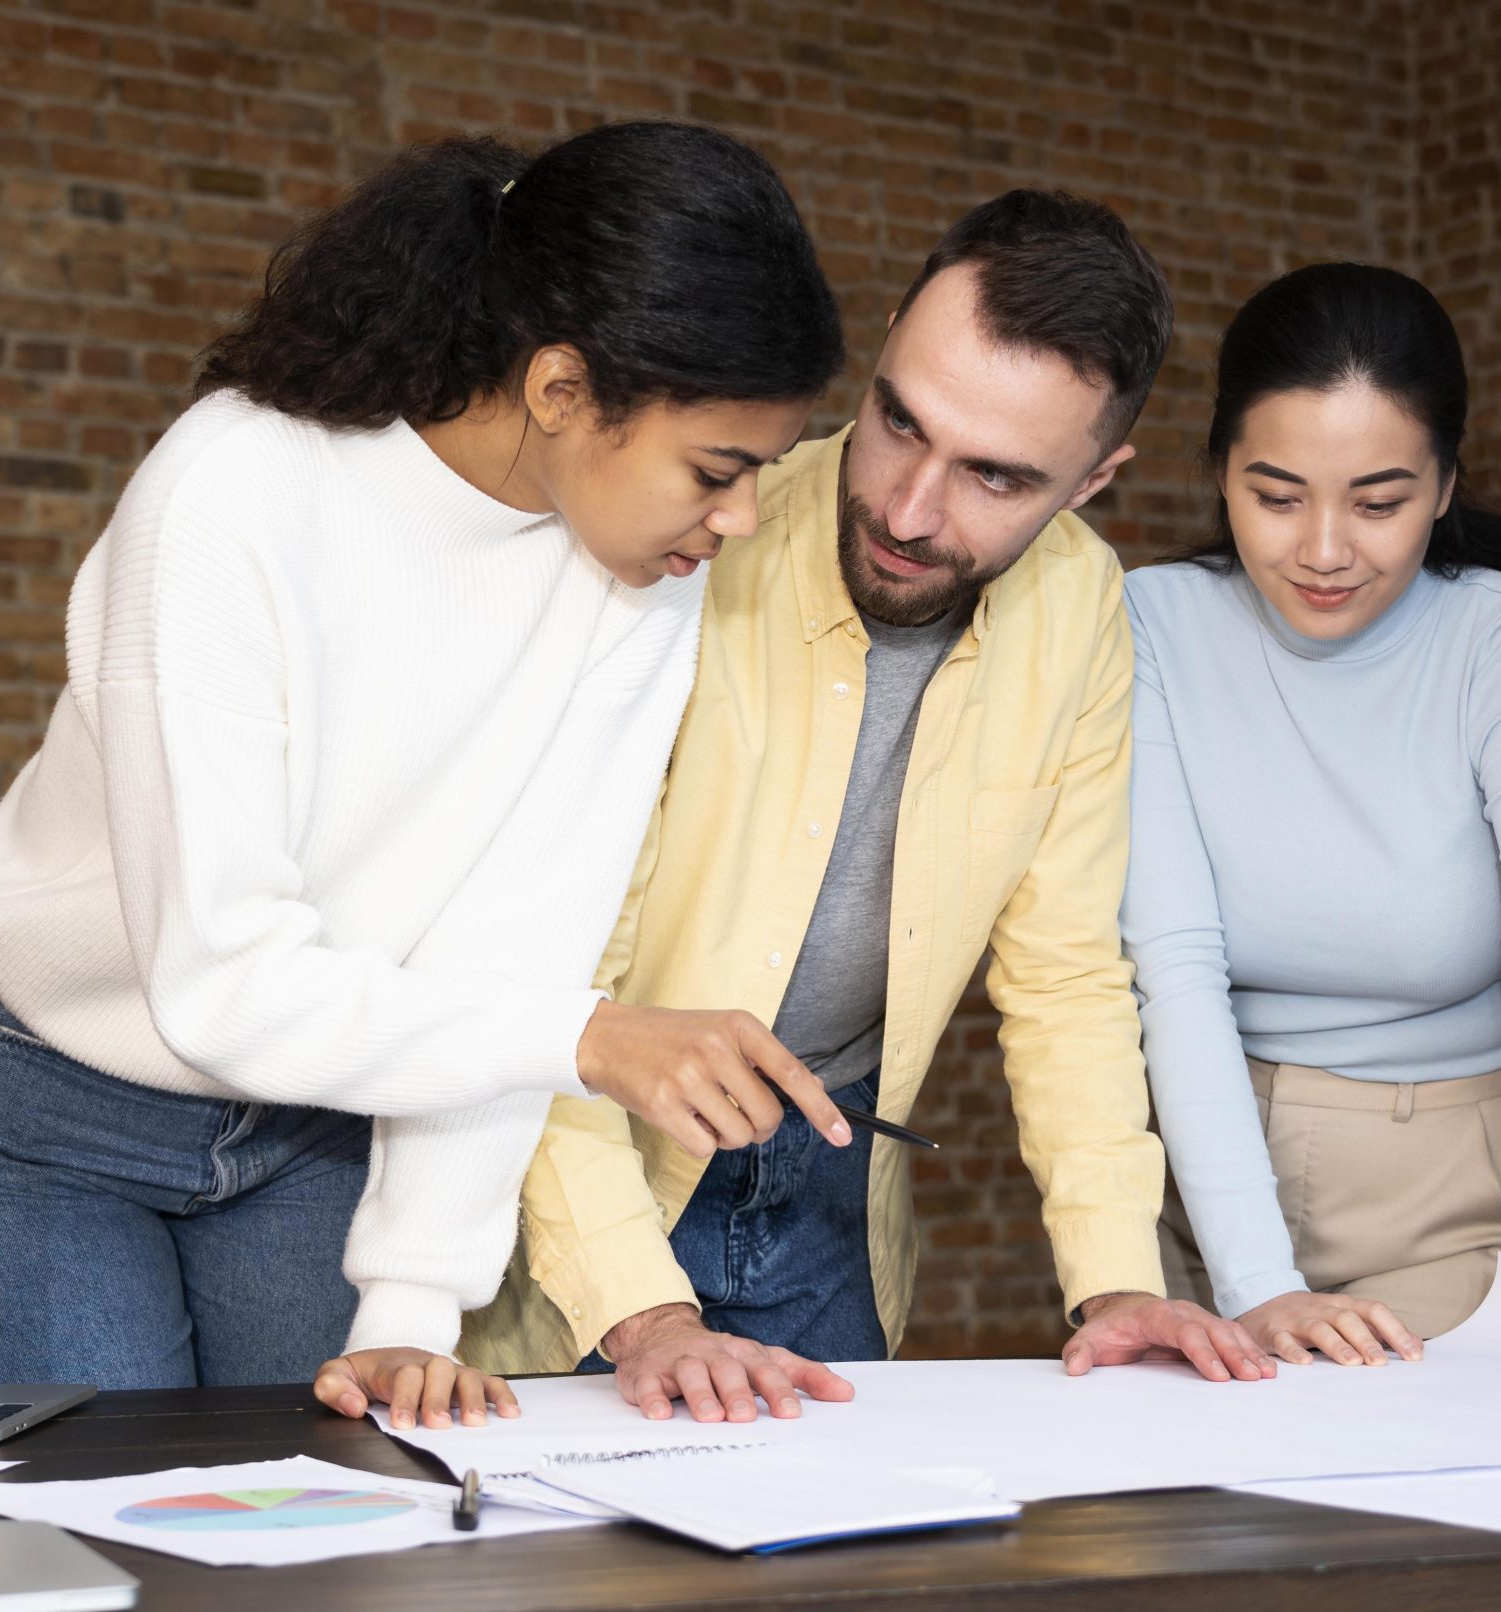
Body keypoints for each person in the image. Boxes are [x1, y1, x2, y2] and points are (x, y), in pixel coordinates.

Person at [0, 123, 855, 1412]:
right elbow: (222, 982)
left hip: (319, 1128)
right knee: (110, 1544)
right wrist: (591, 1040)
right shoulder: (231, 496)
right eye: (717, 471)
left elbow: (513, 947)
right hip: (48, 1114)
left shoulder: (643, 576)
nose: (738, 521)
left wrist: (410, 1301)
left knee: (336, 1519)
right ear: (563, 389)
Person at [412, 189, 1279, 1425]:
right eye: (897, 422)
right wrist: (642, 1311)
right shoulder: (677, 543)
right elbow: (542, 970)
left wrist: (1113, 1283)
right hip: (578, 1188)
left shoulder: (1083, 606)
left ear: (1095, 480)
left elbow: (1066, 976)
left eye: (995, 475)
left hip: (833, 1203)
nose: (913, 510)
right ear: (875, 358)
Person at [1122, 263, 1501, 1391]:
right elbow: (1172, 972)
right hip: (1205, 1181)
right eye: (1276, 495)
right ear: (1218, 474)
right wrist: (1255, 1287)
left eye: (1379, 501)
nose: (1325, 549)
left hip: (1459, 1200)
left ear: (1445, 486)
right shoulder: (1150, 625)